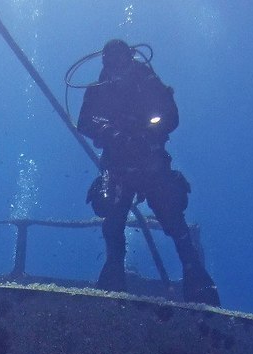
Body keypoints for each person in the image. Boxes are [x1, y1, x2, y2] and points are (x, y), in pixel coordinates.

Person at [76, 38, 220, 304]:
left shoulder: (148, 80)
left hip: (151, 161)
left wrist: (147, 132)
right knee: (113, 221)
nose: (118, 64)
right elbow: (83, 122)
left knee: (173, 217)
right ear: (106, 61)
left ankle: (196, 277)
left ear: (131, 58)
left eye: (122, 57)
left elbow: (171, 115)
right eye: (112, 59)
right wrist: (109, 132)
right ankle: (113, 275)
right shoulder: (99, 89)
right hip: (118, 164)